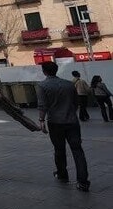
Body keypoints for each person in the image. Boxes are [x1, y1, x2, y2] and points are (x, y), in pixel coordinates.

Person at [38, 62, 90, 191]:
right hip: (72, 121)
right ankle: (83, 181)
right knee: (77, 150)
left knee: (59, 149)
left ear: (44, 71)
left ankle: (62, 174)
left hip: (55, 122)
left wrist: (41, 120)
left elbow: (42, 105)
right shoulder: (69, 84)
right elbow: (76, 103)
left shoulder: (42, 85)